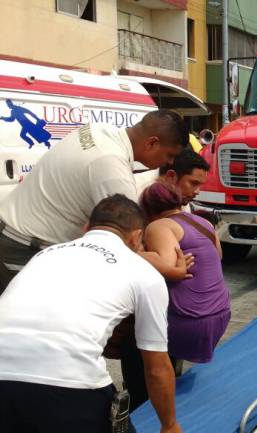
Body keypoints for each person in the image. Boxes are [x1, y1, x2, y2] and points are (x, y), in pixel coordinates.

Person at [0, 195, 181, 433]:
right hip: (69, 385)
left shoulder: (44, 254)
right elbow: (156, 367)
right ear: (137, 237)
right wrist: (169, 425)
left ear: (86, 228)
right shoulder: (144, 274)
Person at [0, 109, 189, 292]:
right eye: (169, 155)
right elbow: (126, 248)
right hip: (25, 248)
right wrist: (170, 270)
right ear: (151, 143)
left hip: (13, 229)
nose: (170, 162)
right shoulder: (113, 171)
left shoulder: (98, 130)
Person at [121, 181, 231, 411]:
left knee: (130, 341)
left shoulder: (159, 226)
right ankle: (168, 381)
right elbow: (217, 256)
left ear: (146, 208)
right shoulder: (202, 222)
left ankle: (141, 408)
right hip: (220, 314)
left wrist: (134, 251)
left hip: (191, 322)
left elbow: (168, 266)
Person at [135, 148, 211, 212]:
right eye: (194, 183)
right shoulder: (134, 191)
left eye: (200, 185)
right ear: (171, 176)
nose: (197, 191)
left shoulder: (181, 197)